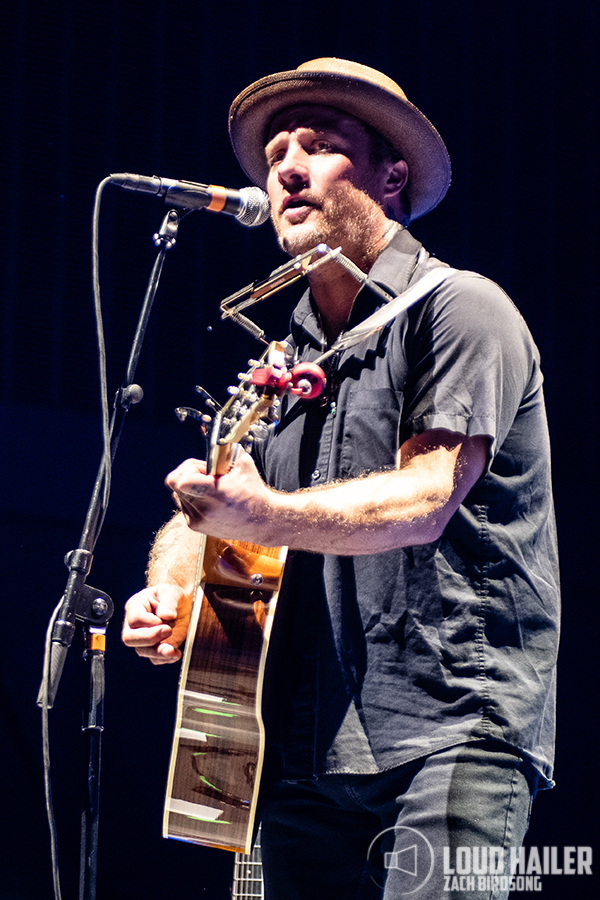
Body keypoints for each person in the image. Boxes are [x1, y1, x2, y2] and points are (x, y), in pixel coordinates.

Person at [122, 59, 560, 900]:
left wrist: (266, 513)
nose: (286, 167)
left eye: (320, 146)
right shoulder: (277, 365)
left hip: (449, 730)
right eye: (277, 150)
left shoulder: (459, 308)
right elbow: (212, 512)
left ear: (392, 176)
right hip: (298, 745)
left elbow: (428, 496)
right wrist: (173, 592)